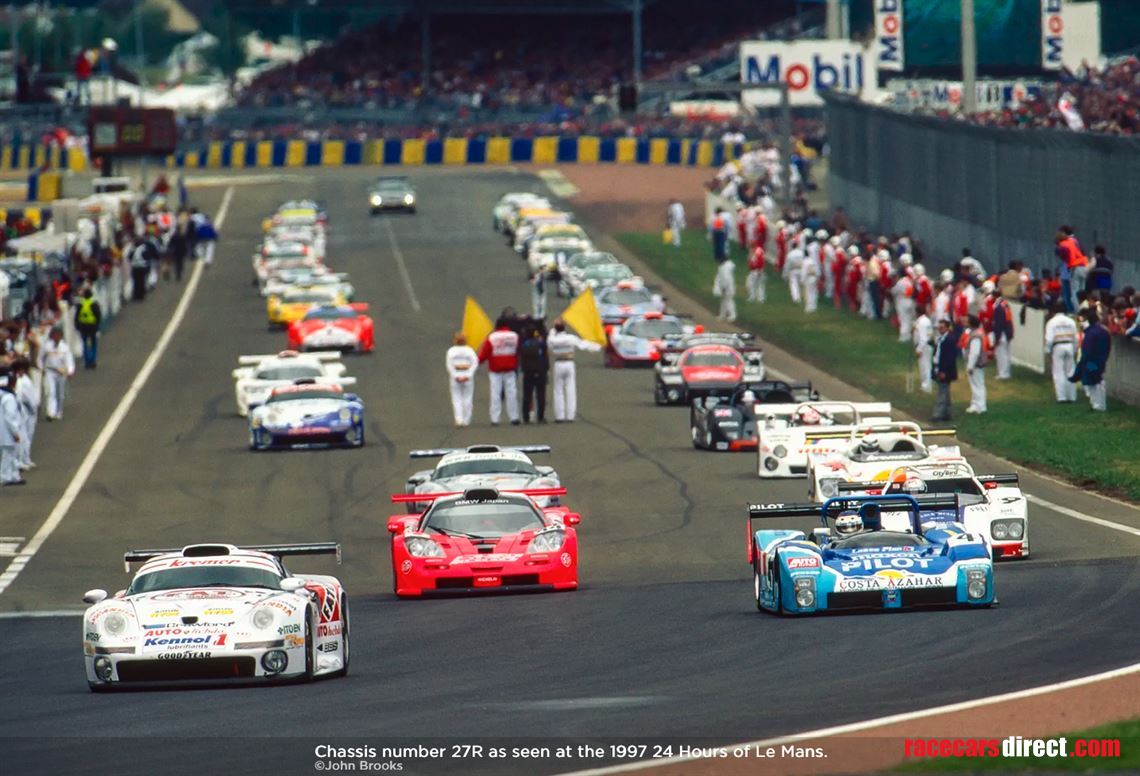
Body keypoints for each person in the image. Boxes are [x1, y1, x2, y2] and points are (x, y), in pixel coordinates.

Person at [546, 319, 601, 422]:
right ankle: (570, 416)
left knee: (558, 390)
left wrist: (554, 329)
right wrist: (597, 346)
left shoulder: (552, 339)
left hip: (558, 363)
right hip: (569, 363)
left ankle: (559, 416)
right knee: (570, 389)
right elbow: (583, 345)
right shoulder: (571, 338)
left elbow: (549, 341)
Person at [477, 317, 521, 425]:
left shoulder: (492, 337)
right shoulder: (514, 336)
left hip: (495, 370)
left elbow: (484, 353)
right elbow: (519, 351)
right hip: (510, 369)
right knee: (512, 393)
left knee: (495, 394)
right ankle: (514, 417)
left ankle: (495, 419)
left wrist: (477, 362)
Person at [1070, 308, 1111, 412]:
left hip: (1091, 361)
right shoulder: (1103, 331)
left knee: (1094, 382)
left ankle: (1098, 405)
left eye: (1081, 320)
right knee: (1096, 381)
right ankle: (1096, 404)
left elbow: (1087, 352)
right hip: (1100, 360)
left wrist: (1081, 365)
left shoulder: (1091, 334)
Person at [38, 327, 74, 421]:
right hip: (50, 371)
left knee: (60, 394)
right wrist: (42, 368)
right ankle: (51, 412)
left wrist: (70, 371)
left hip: (61, 372)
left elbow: (69, 360)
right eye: (55, 335)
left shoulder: (64, 347)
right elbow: (40, 358)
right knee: (51, 392)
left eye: (59, 335)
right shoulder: (47, 346)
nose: (57, 337)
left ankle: (59, 411)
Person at [1044, 304, 1079, 402]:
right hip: (1069, 345)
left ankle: (1062, 397)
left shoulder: (1051, 322)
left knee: (1058, 372)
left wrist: (1047, 350)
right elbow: (1076, 337)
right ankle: (1072, 396)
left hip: (1057, 346)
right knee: (1070, 371)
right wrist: (1075, 349)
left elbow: (1049, 339)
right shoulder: (1071, 321)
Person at [445, 332, 478, 427]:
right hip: (467, 376)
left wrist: (455, 376)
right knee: (468, 398)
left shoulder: (451, 351)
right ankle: (466, 420)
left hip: (456, 376)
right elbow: (475, 363)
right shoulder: (470, 351)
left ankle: (459, 419)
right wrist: (469, 375)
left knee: (456, 398)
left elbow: (449, 365)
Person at [518, 323, 549, 424]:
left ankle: (526, 417)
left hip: (528, 371)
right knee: (540, 395)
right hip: (540, 371)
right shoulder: (540, 343)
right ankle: (540, 417)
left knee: (527, 395)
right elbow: (545, 353)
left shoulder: (523, 344)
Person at [12, 358, 37, 469]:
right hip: (25, 409)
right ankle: (21, 460)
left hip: (25, 410)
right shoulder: (23, 381)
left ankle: (26, 458)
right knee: (24, 436)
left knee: (27, 436)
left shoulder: (23, 380)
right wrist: (33, 408)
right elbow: (29, 398)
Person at [931, 317, 958, 422]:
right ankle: (946, 412)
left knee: (942, 392)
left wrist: (944, 371)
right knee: (945, 392)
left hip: (945, 370)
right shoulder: (940, 338)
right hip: (938, 367)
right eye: (939, 327)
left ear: (947, 328)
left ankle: (938, 414)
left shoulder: (949, 340)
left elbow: (949, 358)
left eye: (942, 327)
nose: (940, 329)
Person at [0, 374, 23, 486]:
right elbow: (10, 417)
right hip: (8, 432)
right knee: (8, 454)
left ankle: (14, 475)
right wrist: (16, 433)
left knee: (13, 454)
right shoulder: (9, 398)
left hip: (5, 431)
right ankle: (5, 476)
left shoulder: (4, 396)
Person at [963, 314, 988, 414]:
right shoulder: (976, 333)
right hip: (976, 364)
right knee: (975, 385)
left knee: (978, 385)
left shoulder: (976, 336)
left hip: (976, 365)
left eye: (966, 321)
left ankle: (980, 406)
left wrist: (970, 366)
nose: (964, 322)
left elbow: (975, 353)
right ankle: (975, 404)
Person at [74, 287, 102, 369]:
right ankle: (93, 361)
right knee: (93, 344)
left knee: (85, 344)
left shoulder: (80, 304)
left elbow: (76, 316)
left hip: (83, 326)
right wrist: (97, 325)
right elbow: (98, 315)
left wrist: (77, 326)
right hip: (92, 326)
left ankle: (87, 362)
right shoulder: (94, 303)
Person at [989, 289, 1013, 380]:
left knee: (1001, 354)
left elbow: (999, 323)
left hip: (1002, 332)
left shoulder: (999, 307)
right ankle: (1007, 372)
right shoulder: (1005, 304)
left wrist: (997, 337)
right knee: (1006, 353)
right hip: (1007, 332)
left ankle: (1003, 373)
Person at [913, 303, 933, 394]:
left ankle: (926, 386)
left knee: (925, 366)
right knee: (925, 366)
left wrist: (919, 349)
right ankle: (925, 384)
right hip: (925, 345)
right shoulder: (925, 320)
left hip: (924, 346)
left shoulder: (922, 322)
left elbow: (923, 337)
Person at [713, 256, 736, 323]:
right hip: (726, 287)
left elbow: (726, 279)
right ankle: (722, 315)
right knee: (723, 301)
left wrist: (724, 287)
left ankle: (732, 315)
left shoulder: (725, 268)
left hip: (728, 287)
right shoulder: (724, 267)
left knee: (729, 301)